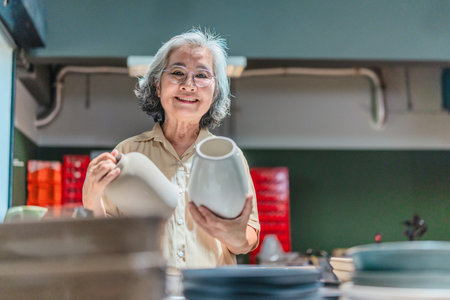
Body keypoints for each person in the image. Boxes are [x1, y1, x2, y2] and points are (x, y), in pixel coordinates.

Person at [82, 29, 260, 269]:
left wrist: (235, 235)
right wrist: (91, 199)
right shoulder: (127, 153)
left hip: (210, 293)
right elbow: (106, 242)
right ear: (157, 85)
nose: (189, 85)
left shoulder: (229, 157)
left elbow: (246, 240)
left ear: (215, 91)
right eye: (177, 73)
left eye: (202, 75)